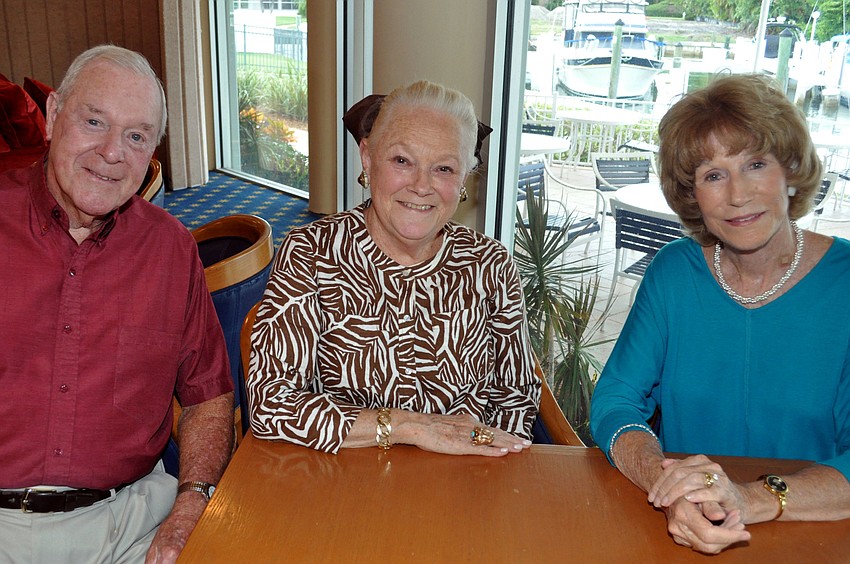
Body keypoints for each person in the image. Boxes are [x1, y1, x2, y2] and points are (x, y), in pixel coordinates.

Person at [590, 73, 850, 554]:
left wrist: (748, 499)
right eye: (713, 174)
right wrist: (666, 485)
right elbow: (614, 402)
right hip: (684, 527)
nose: (737, 195)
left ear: (790, 170)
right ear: (692, 195)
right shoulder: (673, 273)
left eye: (755, 164)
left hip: (814, 530)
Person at [0, 45, 234, 563]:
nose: (112, 153)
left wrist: (192, 503)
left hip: (127, 524)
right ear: (54, 114)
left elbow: (208, 397)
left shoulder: (172, 249)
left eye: (136, 136)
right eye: (94, 121)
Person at [246, 80, 540, 456]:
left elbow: (515, 398)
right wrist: (410, 427)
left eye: (444, 168)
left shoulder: (490, 264)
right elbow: (271, 405)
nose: (421, 186)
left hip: (465, 482)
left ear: (465, 177)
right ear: (367, 158)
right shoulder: (312, 254)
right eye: (402, 161)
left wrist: (489, 462)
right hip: (345, 480)